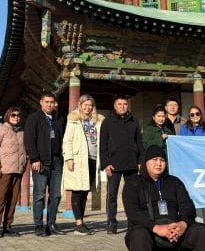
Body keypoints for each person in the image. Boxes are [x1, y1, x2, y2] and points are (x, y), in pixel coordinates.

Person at [24, 92, 66, 236]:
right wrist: (34, 158)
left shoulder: (59, 118)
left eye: (52, 102)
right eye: (46, 102)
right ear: (41, 102)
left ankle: (51, 223)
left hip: (57, 160)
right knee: (39, 194)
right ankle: (38, 225)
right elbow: (29, 140)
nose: (49, 105)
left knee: (56, 195)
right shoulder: (34, 118)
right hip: (40, 161)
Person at [99, 94, 142, 234]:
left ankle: (133, 222)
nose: (122, 107)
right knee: (112, 195)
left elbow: (139, 143)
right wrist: (106, 163)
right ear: (114, 106)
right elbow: (103, 144)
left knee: (132, 195)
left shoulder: (134, 121)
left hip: (131, 163)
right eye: (120, 104)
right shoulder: (107, 122)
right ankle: (111, 222)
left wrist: (140, 161)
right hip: (114, 164)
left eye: (125, 104)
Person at [63, 94, 104, 235]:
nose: (87, 107)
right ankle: (78, 223)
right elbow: (67, 140)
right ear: (80, 105)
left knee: (85, 191)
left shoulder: (98, 120)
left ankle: (81, 222)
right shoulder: (74, 119)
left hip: (93, 159)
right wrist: (69, 158)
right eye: (85, 105)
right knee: (77, 190)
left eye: (90, 105)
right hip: (79, 159)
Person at [0, 106, 26, 238]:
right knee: (1, 199)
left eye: (18, 115)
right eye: (13, 115)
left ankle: (8, 226)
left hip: (18, 170)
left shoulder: (21, 131)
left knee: (13, 199)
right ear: (7, 116)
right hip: (4, 170)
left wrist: (24, 162)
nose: (16, 117)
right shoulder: (0, 129)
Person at [179, 105, 205, 224]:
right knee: (193, 192)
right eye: (192, 114)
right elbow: (181, 144)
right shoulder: (184, 129)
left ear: (200, 115)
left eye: (197, 114)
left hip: (203, 165)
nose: (195, 116)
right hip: (190, 166)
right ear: (189, 116)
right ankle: (198, 219)